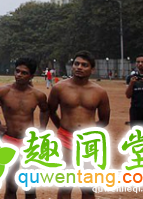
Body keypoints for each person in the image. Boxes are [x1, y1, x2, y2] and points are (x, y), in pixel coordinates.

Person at [48, 51, 110, 199]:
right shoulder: (59, 88)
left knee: (88, 188)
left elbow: (104, 120)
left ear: (92, 69)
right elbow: (51, 111)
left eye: (84, 65)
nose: (79, 67)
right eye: (76, 64)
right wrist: (62, 127)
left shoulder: (100, 92)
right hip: (66, 138)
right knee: (65, 186)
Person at [0, 58, 48, 199]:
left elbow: (45, 110)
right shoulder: (3, 91)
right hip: (9, 141)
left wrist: (42, 128)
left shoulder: (38, 95)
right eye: (17, 71)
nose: (19, 75)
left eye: (24, 73)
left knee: (30, 188)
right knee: (11, 186)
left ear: (31, 76)